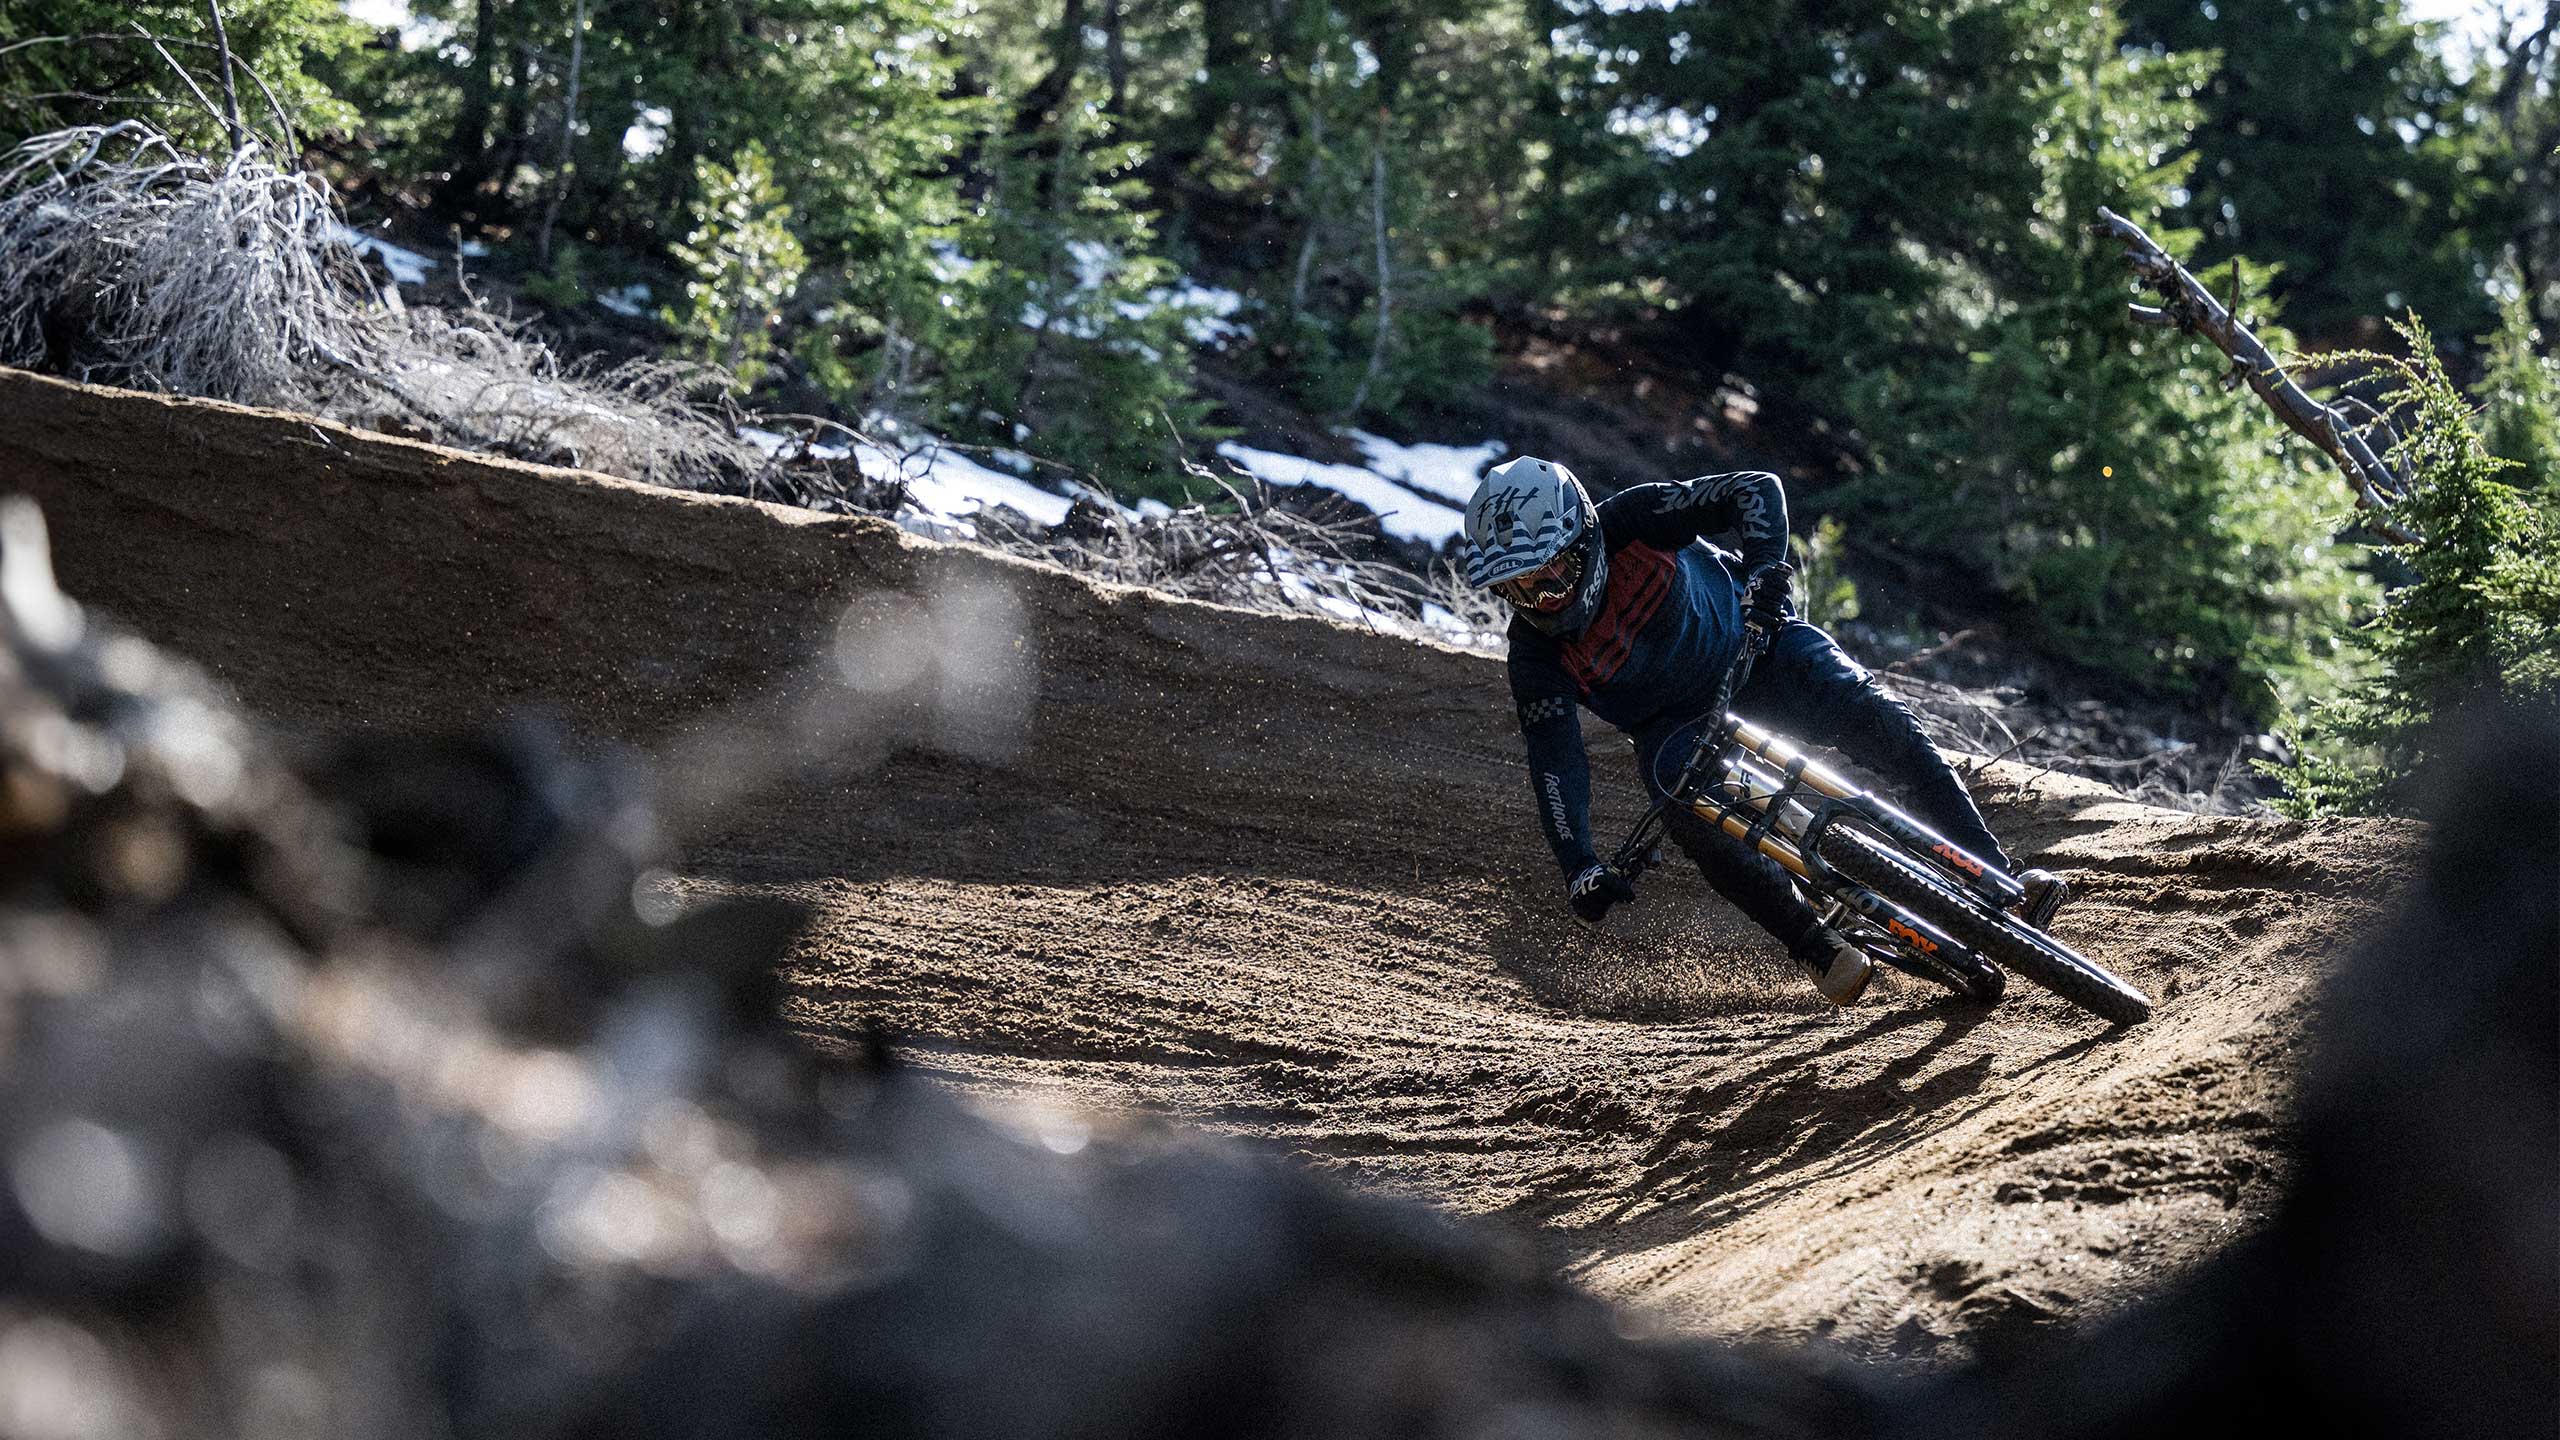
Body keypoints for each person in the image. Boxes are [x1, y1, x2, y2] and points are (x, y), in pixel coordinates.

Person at [1462, 456, 2067, 1005]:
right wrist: (1579, 865)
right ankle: (1815, 946)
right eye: (1517, 588)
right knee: (1682, 808)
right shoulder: (1534, 658)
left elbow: (1756, 490)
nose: (1539, 600)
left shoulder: (1634, 518)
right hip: (1673, 727)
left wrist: (1765, 573)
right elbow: (1554, 758)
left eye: (1550, 576)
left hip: (1758, 648)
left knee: (1883, 723)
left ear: (1585, 537)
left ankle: (1998, 880)